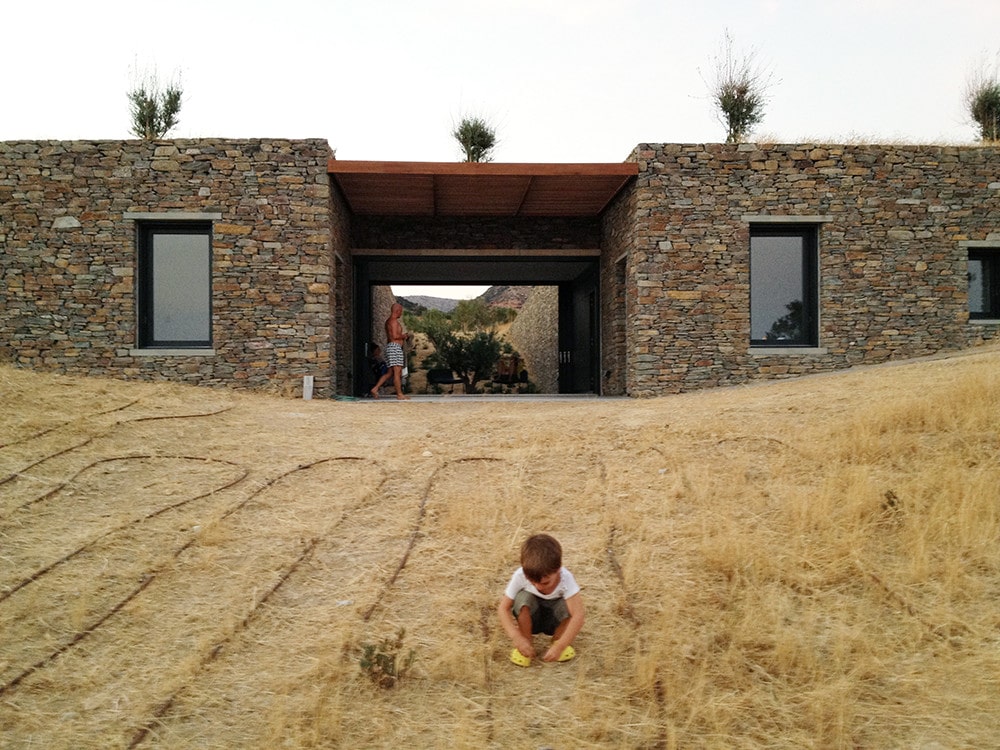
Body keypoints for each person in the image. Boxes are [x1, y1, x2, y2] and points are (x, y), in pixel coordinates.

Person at [498, 533, 584, 666]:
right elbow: (503, 608)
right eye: (532, 582)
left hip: (554, 622)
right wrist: (517, 638)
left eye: (545, 583)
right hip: (532, 619)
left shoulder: (566, 578)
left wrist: (561, 646)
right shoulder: (520, 575)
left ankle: (557, 641)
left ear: (558, 569)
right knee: (523, 598)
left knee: (570, 605)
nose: (538, 587)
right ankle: (526, 643)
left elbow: (578, 615)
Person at [370, 303, 410, 400]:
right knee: (397, 372)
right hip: (395, 348)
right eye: (401, 311)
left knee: (390, 372)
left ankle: (375, 388)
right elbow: (395, 336)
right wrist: (404, 336)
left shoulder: (389, 321)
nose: (401, 313)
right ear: (398, 311)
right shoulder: (393, 322)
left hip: (391, 347)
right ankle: (399, 394)